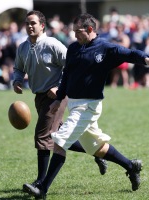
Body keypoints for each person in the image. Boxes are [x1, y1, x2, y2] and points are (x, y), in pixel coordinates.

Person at [35, 13, 149, 200]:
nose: (74, 35)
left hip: (89, 106)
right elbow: (67, 75)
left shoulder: (105, 48)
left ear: (90, 29)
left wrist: (145, 59)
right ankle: (131, 166)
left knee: (59, 142)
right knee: (96, 148)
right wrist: (59, 98)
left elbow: (128, 53)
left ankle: (42, 188)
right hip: (74, 105)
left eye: (77, 31)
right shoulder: (73, 48)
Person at [13, 10, 107, 199]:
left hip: (56, 97)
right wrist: (16, 80)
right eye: (27, 23)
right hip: (39, 97)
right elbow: (18, 68)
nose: (29, 26)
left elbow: (72, 67)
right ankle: (97, 153)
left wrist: (58, 87)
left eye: (33, 23)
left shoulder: (53, 45)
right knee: (59, 136)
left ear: (42, 26)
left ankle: (40, 183)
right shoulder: (22, 48)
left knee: (42, 136)